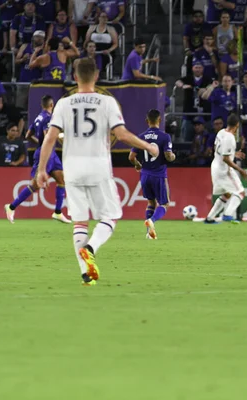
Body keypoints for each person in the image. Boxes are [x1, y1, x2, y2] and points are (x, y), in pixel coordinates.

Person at [35, 57, 159, 286]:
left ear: (74, 77)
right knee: (111, 216)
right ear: (97, 77)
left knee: (80, 222)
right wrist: (148, 145)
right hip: (98, 166)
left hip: (72, 168)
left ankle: (86, 273)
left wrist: (41, 169)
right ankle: (91, 248)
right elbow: (121, 135)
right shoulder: (106, 102)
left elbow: (50, 138)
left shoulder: (63, 103)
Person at [4, 95, 71, 224]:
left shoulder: (38, 117)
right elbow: (48, 137)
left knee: (62, 179)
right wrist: (60, 136)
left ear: (42, 105)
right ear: (52, 105)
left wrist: (39, 143)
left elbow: (28, 135)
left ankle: (57, 212)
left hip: (50, 152)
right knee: (36, 184)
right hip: (46, 154)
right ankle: (11, 207)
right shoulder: (48, 118)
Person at [128, 109, 175, 240]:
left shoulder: (141, 137)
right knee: (164, 204)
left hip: (145, 175)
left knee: (150, 202)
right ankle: (152, 220)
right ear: (160, 120)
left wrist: (137, 165)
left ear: (146, 121)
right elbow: (168, 156)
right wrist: (173, 156)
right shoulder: (165, 137)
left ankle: (149, 233)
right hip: (159, 175)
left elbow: (131, 157)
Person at [203, 113, 247, 224]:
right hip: (224, 169)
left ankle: (210, 218)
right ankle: (227, 215)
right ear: (237, 125)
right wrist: (241, 170)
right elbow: (226, 159)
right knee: (240, 192)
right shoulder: (230, 138)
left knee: (227, 194)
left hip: (215, 166)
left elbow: (220, 151)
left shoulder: (221, 132)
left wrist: (234, 154)